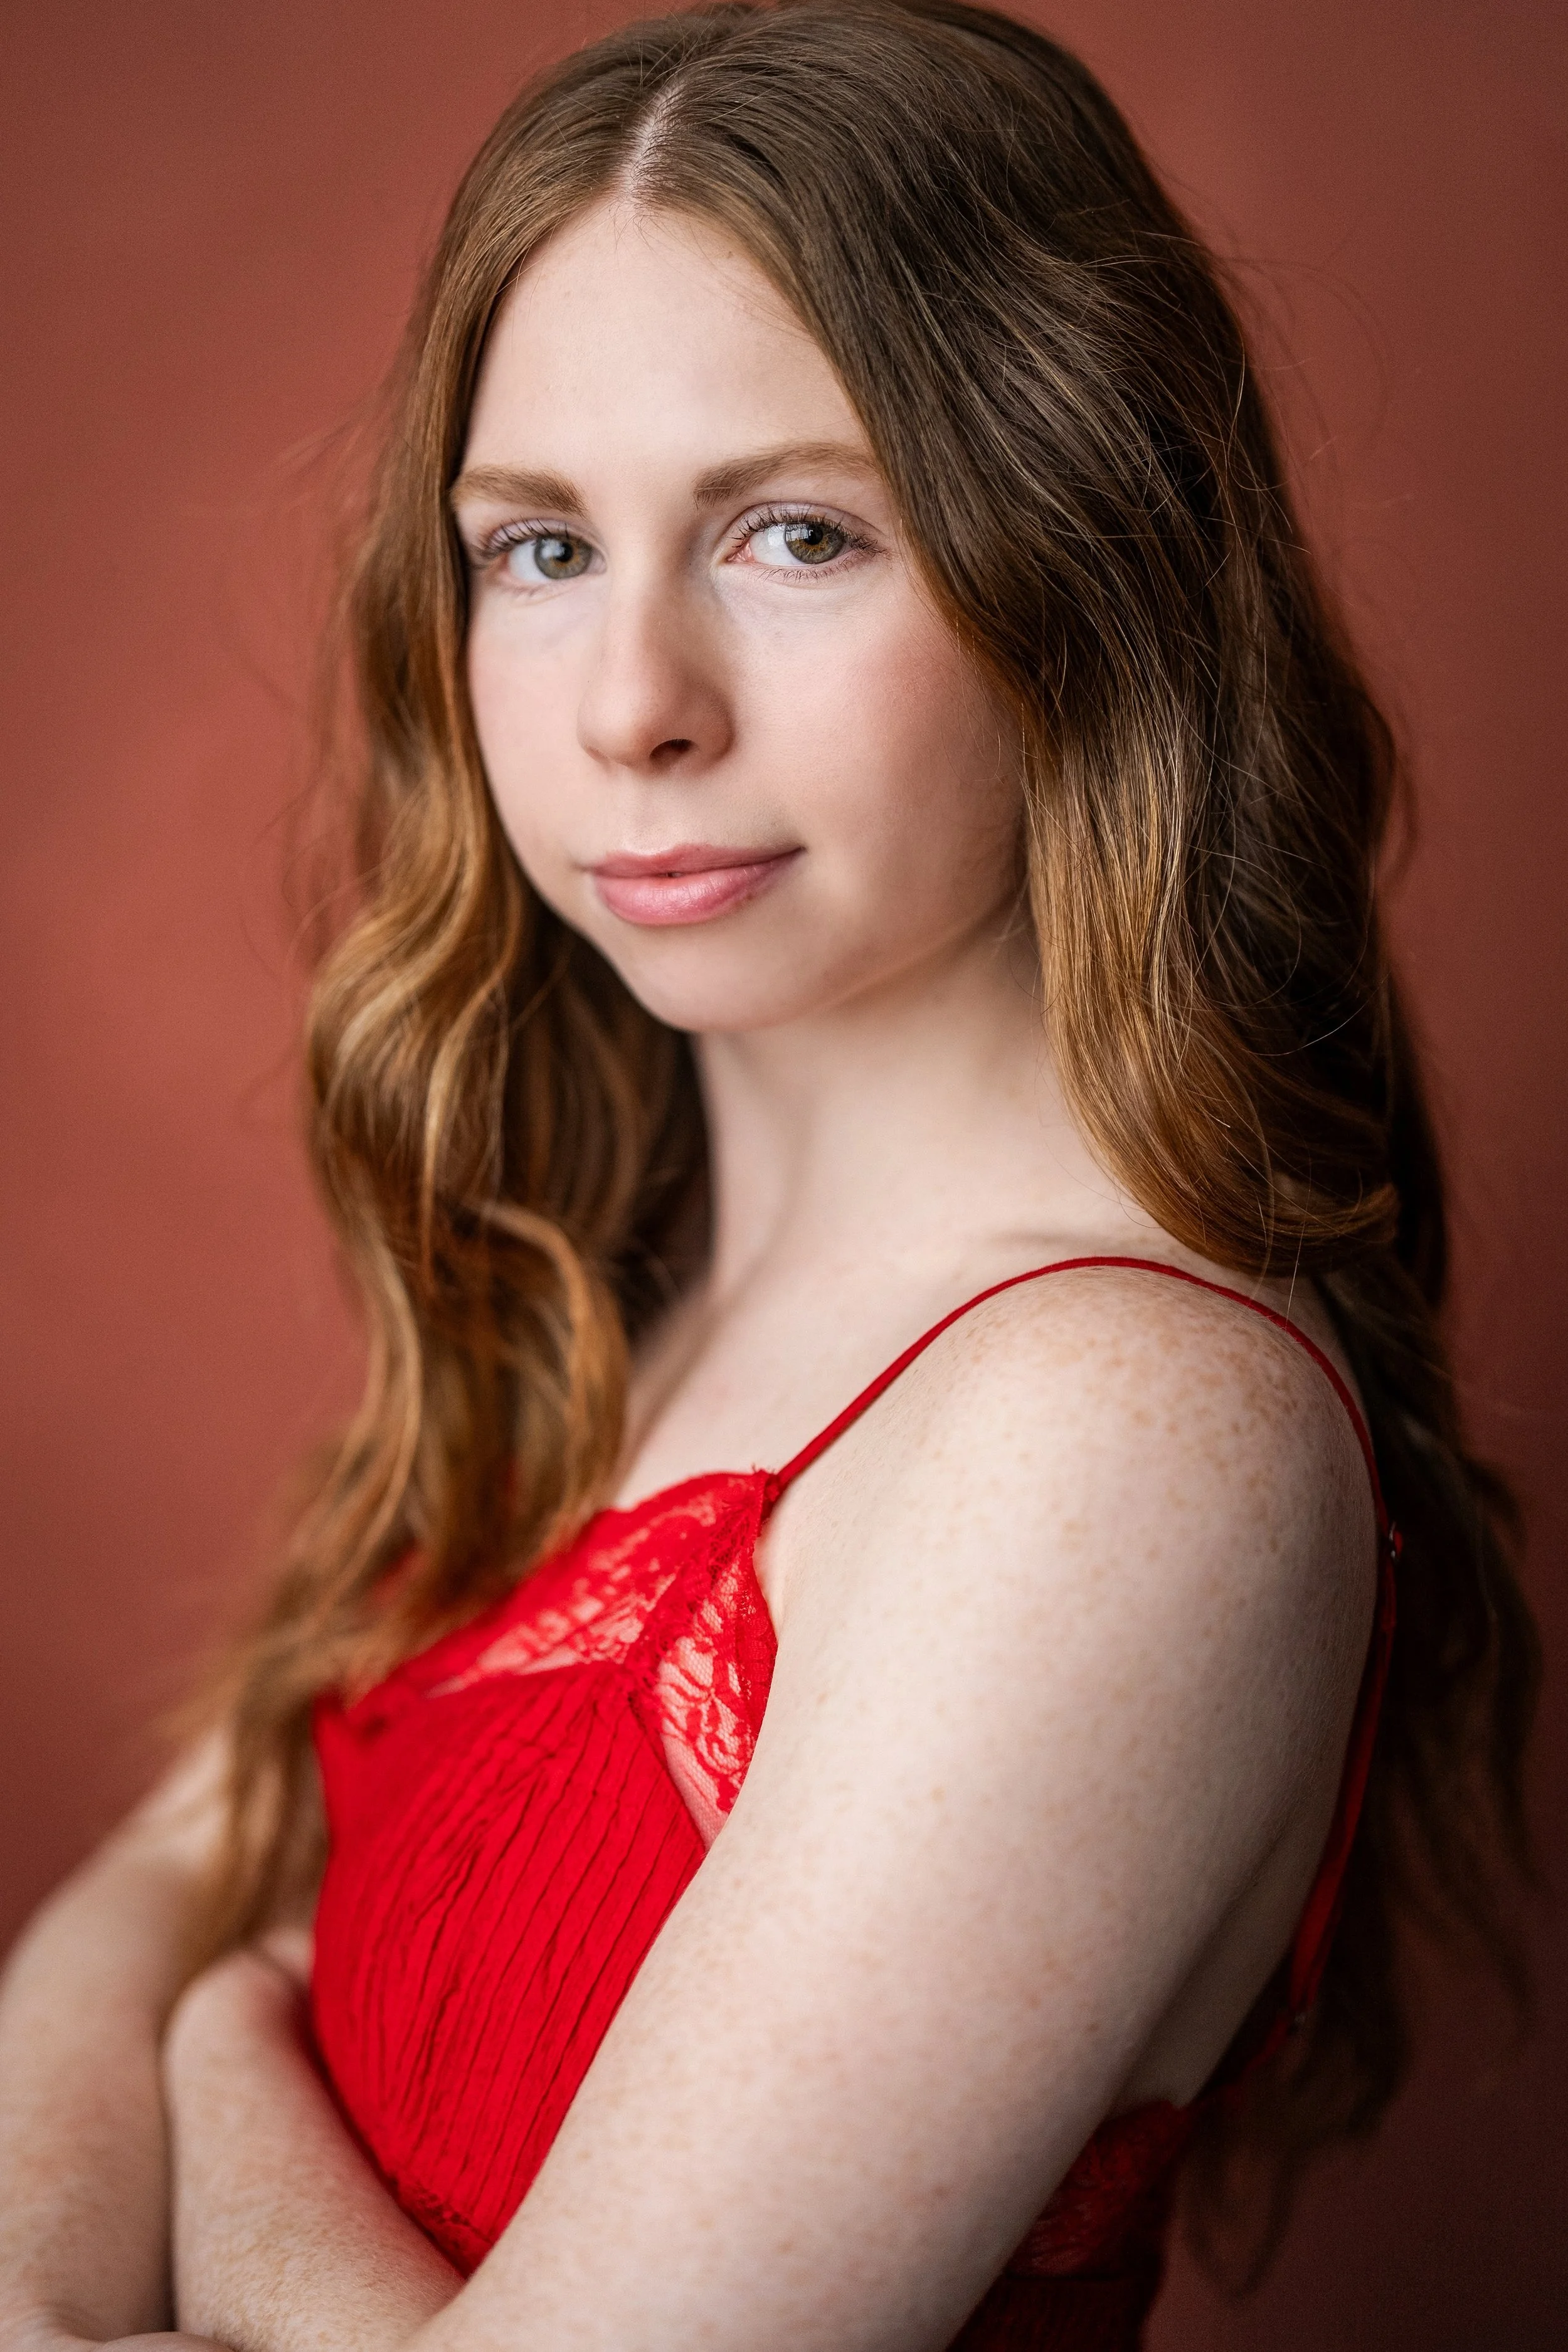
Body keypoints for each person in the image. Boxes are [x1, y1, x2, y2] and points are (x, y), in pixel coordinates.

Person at [0, 4, 1539, 2349]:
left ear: (1086, 571)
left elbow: (180, 1957)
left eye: (797, 531)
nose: (632, 697)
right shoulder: (612, 1288)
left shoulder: (1115, 1430)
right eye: (536, 546)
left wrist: (229, 2059)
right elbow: (148, 1893)